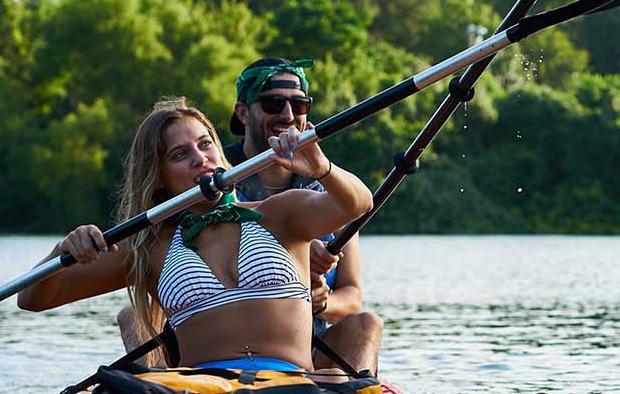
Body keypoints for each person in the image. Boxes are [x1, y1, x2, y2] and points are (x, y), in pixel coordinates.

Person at [19, 97, 373, 377]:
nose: (200, 159)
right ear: (158, 177)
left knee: (368, 325)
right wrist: (61, 251)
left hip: (293, 384)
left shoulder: (281, 213)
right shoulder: (146, 248)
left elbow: (358, 202)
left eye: (206, 145)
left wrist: (322, 169)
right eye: (179, 155)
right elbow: (33, 298)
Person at [224, 57, 384, 377]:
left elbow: (351, 296)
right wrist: (290, 255)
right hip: (229, 343)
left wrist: (321, 302)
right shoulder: (217, 174)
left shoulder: (333, 190)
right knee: (133, 314)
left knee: (366, 324)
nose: (287, 115)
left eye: (299, 105)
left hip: (307, 349)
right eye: (272, 104)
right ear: (243, 113)